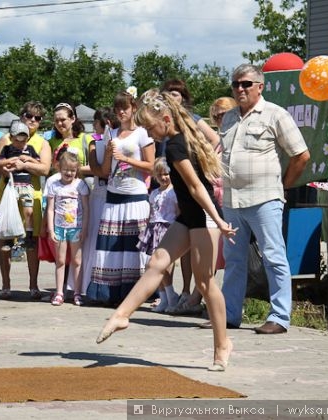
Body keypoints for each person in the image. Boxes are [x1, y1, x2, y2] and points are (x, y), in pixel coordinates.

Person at [97, 90, 237, 372]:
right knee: (157, 262)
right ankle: (122, 315)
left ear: (165, 118)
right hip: (188, 217)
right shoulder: (179, 138)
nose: (150, 134)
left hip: (203, 219)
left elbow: (198, 187)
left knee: (205, 284)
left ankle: (222, 345)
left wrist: (218, 221)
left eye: (151, 127)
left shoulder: (174, 145)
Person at [219, 64, 310, 334]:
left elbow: (301, 155)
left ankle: (279, 317)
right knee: (234, 260)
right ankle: (230, 315)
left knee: (273, 256)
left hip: (264, 199)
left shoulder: (275, 114)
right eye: (235, 84)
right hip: (233, 200)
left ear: (260, 86)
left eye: (246, 84)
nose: (240, 89)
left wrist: (283, 188)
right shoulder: (229, 118)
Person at [169, 96, 238, 316]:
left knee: (222, 258)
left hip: (225, 201)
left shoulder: (230, 139)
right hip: (210, 200)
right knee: (209, 260)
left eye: (223, 114)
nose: (219, 118)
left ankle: (216, 305)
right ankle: (199, 299)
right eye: (215, 115)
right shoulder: (215, 142)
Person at [86, 90, 155, 306]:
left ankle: (140, 292)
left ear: (133, 108)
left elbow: (152, 166)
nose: (121, 112)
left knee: (135, 246)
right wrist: (107, 154)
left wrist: (126, 158)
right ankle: (109, 292)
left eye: (125, 107)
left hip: (135, 194)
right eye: (118, 109)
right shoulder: (112, 133)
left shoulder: (143, 133)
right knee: (113, 246)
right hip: (114, 194)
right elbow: (106, 170)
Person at [0, 101, 52, 300]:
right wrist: (11, 164)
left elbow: (45, 169)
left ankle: (33, 285)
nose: (32, 120)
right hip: (7, 193)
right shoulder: (6, 139)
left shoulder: (41, 142)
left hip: (31, 194)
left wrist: (23, 163)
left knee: (31, 241)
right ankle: (6, 285)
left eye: (37, 118)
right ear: (21, 116)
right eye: (28, 116)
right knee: (5, 238)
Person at [81, 107, 118, 295]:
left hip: (112, 193)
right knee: (93, 238)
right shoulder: (93, 142)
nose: (93, 126)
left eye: (95, 122)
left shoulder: (116, 141)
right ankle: (88, 282)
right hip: (99, 192)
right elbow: (99, 170)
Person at [45, 149, 89, 306]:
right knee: (61, 260)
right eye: (66, 170)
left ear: (77, 169)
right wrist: (51, 229)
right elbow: (50, 209)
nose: (69, 173)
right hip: (59, 228)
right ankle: (59, 292)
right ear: (59, 168)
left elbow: (85, 208)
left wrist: (84, 229)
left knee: (77, 261)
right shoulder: (54, 185)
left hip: (76, 228)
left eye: (72, 170)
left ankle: (77, 293)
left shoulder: (80, 185)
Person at [138, 158, 180, 313]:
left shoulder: (173, 192)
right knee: (154, 266)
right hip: (154, 229)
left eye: (166, 174)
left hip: (167, 228)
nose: (164, 177)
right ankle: (164, 297)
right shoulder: (154, 193)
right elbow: (152, 213)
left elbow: (177, 212)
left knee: (163, 267)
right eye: (160, 174)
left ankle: (171, 297)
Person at [0, 120, 40, 234]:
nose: (20, 144)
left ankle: (29, 235)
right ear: (11, 138)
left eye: (23, 140)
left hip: (26, 184)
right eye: (17, 140)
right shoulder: (7, 149)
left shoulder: (30, 149)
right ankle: (9, 236)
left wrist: (29, 160)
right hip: (11, 184)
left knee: (29, 210)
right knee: (10, 209)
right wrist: (11, 160)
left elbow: (38, 163)